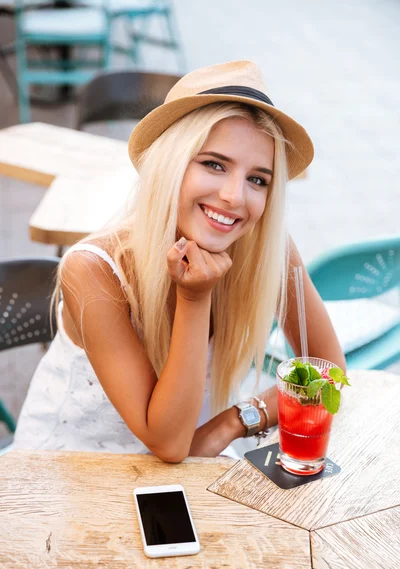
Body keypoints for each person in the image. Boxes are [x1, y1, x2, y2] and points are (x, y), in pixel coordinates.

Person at [13, 60, 345, 461]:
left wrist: (233, 422)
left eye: (258, 179)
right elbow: (169, 443)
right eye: (214, 164)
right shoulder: (94, 269)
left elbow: (327, 368)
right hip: (73, 473)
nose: (234, 196)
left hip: (194, 465)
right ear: (168, 164)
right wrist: (195, 298)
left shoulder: (265, 247)